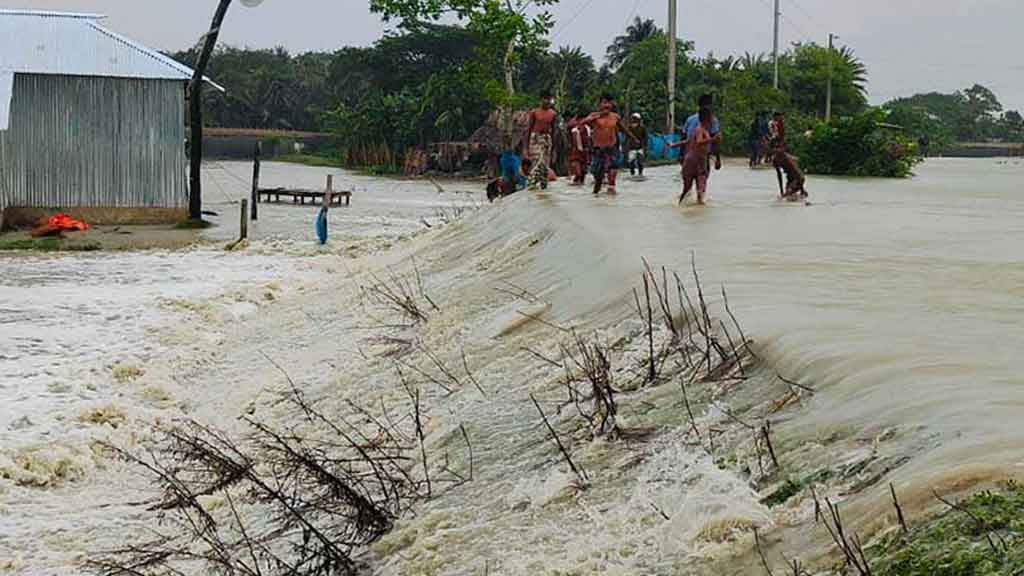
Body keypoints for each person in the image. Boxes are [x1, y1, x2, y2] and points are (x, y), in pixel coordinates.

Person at [581, 93, 639, 195]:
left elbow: (623, 129)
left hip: (612, 149)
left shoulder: (615, 117)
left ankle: (611, 193)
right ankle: (595, 196)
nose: (607, 105)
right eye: (604, 102)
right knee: (598, 180)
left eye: (609, 102)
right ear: (600, 104)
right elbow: (581, 124)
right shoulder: (594, 116)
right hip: (598, 149)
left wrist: (634, 138)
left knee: (612, 176)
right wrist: (591, 119)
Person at [672, 107, 713, 205]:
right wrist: (713, 139)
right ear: (708, 118)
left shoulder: (698, 129)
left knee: (687, 189)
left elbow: (687, 141)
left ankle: (680, 205)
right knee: (700, 189)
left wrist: (673, 145)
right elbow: (699, 142)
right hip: (697, 161)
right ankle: (700, 210)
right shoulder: (701, 130)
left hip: (691, 160)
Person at [681, 94, 722, 174]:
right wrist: (718, 159)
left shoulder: (690, 119)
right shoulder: (713, 121)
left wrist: (681, 155)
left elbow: (684, 137)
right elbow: (715, 141)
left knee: (687, 184)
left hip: (689, 156)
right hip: (703, 157)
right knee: (702, 184)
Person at [525, 91, 557, 190]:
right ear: (540, 99)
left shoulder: (553, 114)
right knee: (536, 165)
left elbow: (554, 131)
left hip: (547, 140)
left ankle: (543, 189)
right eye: (545, 98)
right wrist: (525, 149)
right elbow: (528, 129)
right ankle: (531, 187)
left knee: (545, 167)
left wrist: (554, 149)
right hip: (535, 139)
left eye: (548, 99)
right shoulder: (534, 112)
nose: (547, 101)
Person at [567, 111, 591, 185]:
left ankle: (578, 189)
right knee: (578, 173)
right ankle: (574, 184)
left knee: (583, 173)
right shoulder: (574, 128)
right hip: (576, 152)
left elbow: (589, 140)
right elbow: (572, 140)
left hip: (585, 152)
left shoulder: (587, 128)